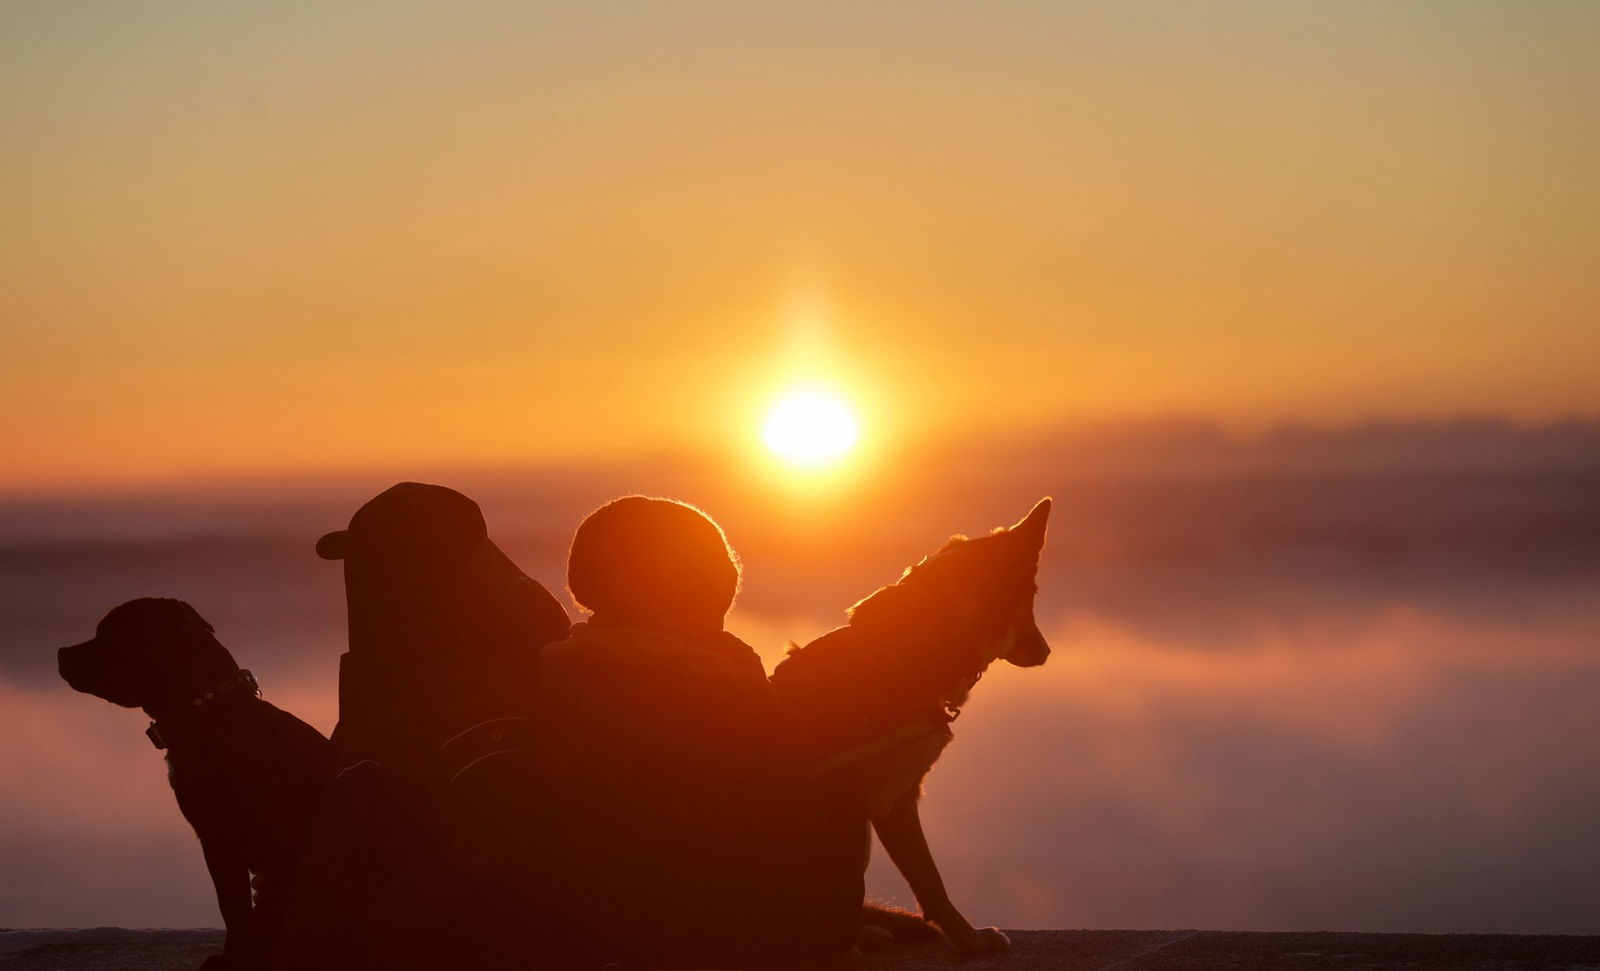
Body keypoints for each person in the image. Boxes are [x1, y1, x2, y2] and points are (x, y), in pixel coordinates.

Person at [532, 496, 858, 968]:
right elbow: (796, 767)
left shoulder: (565, 666)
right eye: (719, 578)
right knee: (838, 788)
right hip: (712, 921)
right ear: (701, 589)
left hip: (599, 914)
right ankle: (830, 950)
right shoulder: (706, 673)